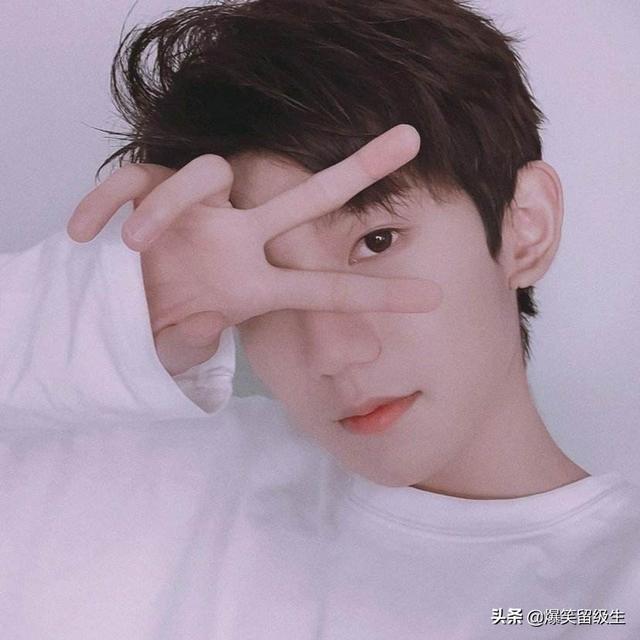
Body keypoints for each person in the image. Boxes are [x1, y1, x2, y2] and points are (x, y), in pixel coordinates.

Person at [1, 0, 638, 637]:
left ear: (526, 227)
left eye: (377, 242)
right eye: (267, 286)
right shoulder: (150, 489)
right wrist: (109, 307)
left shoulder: (615, 589)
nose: (332, 352)